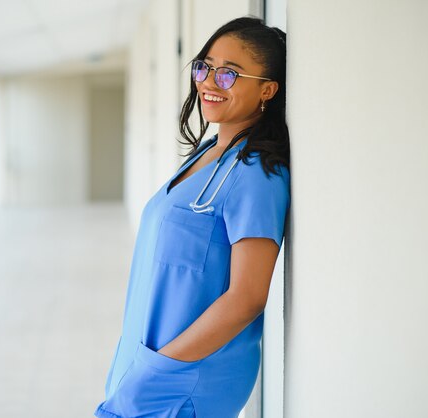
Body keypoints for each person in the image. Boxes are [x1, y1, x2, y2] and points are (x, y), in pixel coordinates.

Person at [94, 16, 290, 418]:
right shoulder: (207, 153)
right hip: (148, 372)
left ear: (267, 90)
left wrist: (158, 371)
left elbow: (247, 297)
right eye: (205, 67)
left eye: (229, 74)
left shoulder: (256, 174)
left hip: (182, 383)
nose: (208, 82)